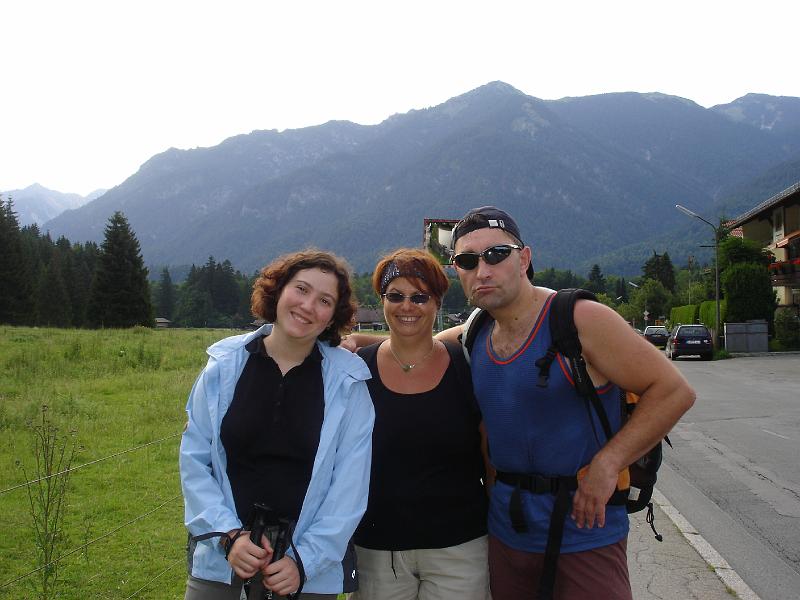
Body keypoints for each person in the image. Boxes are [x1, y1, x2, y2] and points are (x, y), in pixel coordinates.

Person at [438, 206, 696, 600]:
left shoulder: (577, 319)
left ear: (524, 258)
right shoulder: (477, 330)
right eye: (468, 260)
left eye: (496, 254)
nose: (483, 270)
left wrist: (609, 463)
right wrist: (355, 344)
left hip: (585, 529)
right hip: (509, 533)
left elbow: (674, 391)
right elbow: (418, 348)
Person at [179, 250, 375, 600]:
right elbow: (194, 460)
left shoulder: (348, 384)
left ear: (333, 316)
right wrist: (229, 536)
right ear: (278, 290)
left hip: (305, 575)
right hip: (221, 563)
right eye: (301, 289)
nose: (308, 306)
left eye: (324, 300)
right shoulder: (223, 366)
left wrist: (303, 562)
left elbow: (350, 488)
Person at [351, 248, 491, 600]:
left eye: (419, 296)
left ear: (437, 302)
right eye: (395, 296)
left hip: (459, 548)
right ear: (382, 300)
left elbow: (490, 457)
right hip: (378, 550)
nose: (407, 306)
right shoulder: (356, 370)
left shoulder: (465, 366)